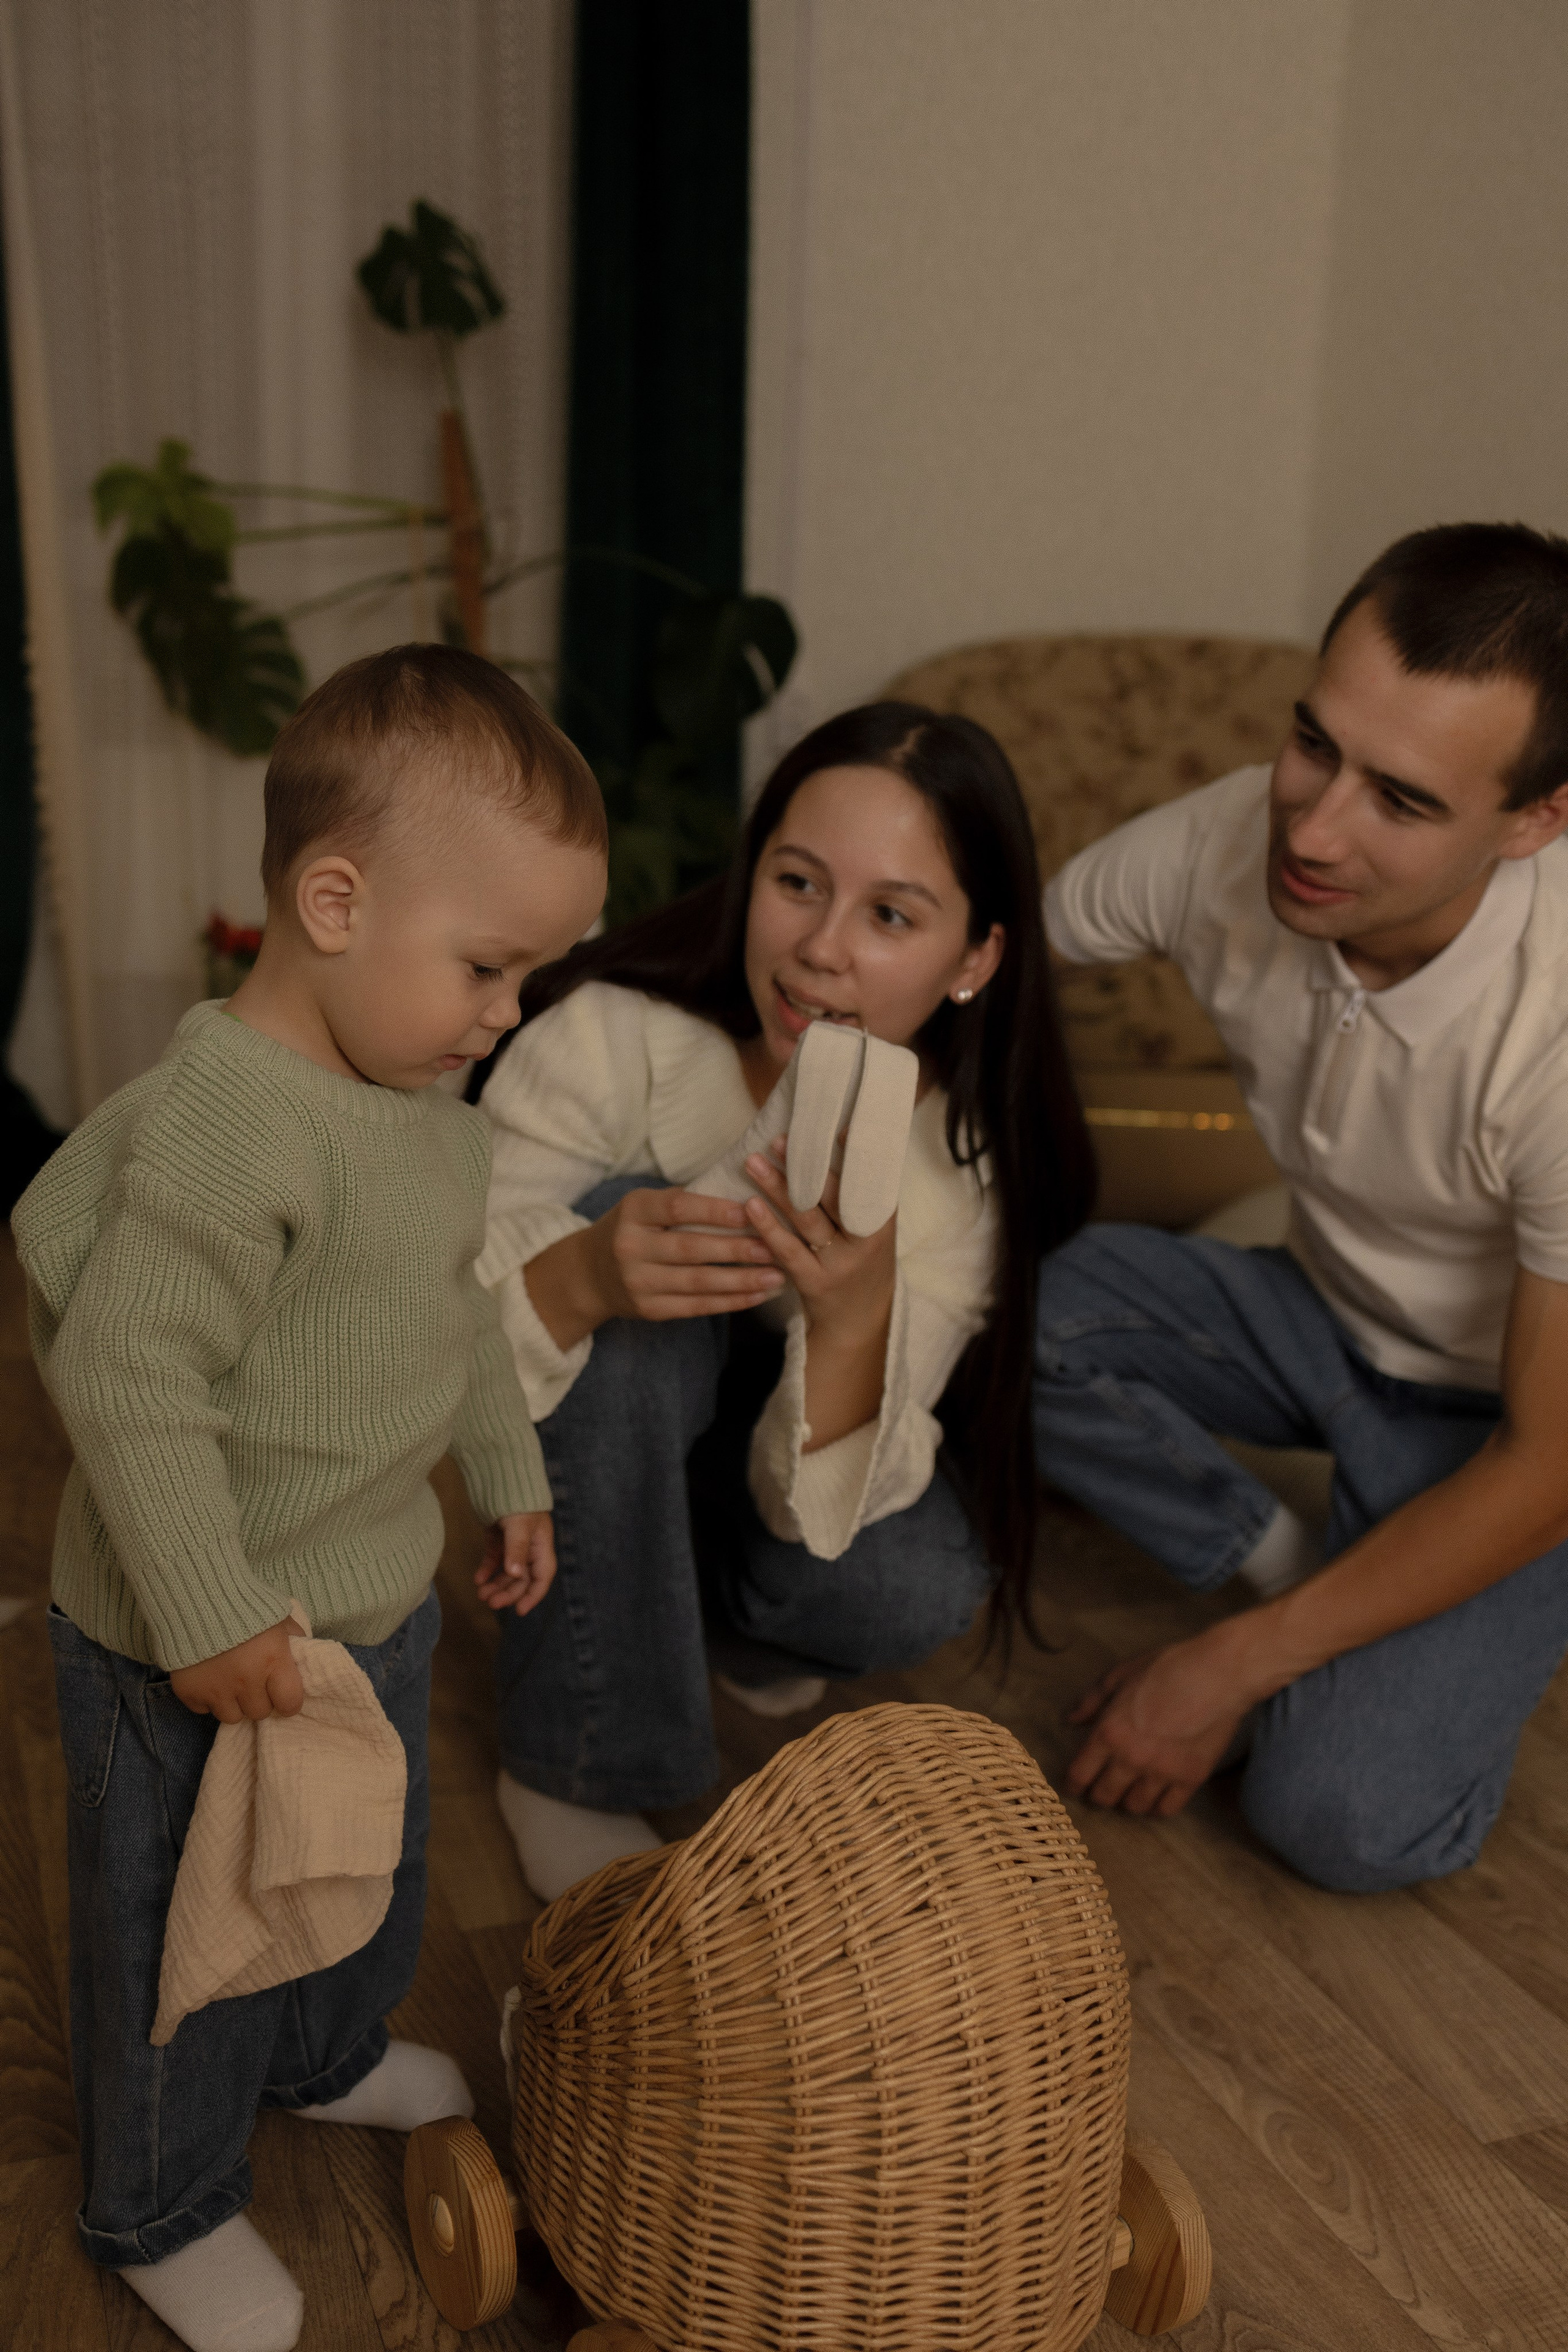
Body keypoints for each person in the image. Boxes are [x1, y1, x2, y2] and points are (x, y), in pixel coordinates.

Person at [12, 646, 606, 2352]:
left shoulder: (421, 1106)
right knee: (174, 1943)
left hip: (365, 1602)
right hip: (182, 1632)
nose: (510, 1012)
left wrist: (506, 1470)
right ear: (334, 901)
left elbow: (454, 1308)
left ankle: (326, 2053)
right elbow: (125, 1378)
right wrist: (204, 1618)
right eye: (489, 965)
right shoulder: (231, 1124)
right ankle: (163, 2204)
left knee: (372, 1862)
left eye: (531, 974)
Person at [470, 701, 1094, 1901]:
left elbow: (838, 1502)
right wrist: (584, 1274)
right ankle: (575, 1762)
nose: (821, 948)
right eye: (796, 883)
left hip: (746, 1489)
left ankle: (719, 1622)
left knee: (911, 1581)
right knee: (621, 1246)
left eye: (891, 916)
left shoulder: (957, 1167)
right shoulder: (608, 1038)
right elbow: (432, 1345)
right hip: (591, 1439)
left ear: (974, 961)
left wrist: (855, 1318)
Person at [1034, 522, 1568, 1892]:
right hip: (1316, 1314)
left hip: (1506, 1435)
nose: (1311, 827)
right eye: (1312, 743)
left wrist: (1214, 1670)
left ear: (1532, 821)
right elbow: (979, 960)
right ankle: (1295, 1565)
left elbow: (1543, 1461)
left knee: (1339, 1821)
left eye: (1399, 800)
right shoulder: (1224, 836)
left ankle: (1359, 1613)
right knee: (977, 1300)